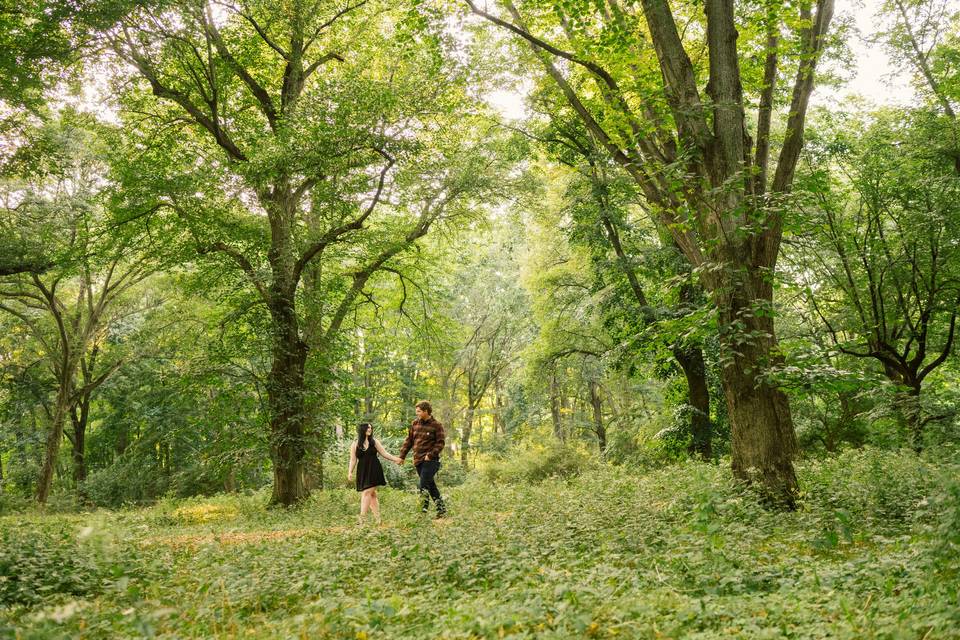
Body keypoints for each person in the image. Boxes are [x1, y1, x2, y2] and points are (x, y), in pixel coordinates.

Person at [398, 400, 447, 518]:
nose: (417, 414)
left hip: (431, 461)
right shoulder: (415, 424)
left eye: (419, 411)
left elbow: (440, 443)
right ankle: (441, 510)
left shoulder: (436, 425)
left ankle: (422, 512)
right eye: (417, 411)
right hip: (418, 460)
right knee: (431, 485)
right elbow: (409, 441)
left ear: (426, 411)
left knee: (423, 485)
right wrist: (402, 456)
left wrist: (430, 455)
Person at [347, 422, 401, 525]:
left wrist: (396, 459)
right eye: (368, 428)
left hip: (374, 469)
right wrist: (350, 472)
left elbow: (385, 453)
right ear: (362, 430)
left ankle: (362, 519)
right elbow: (353, 460)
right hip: (362, 471)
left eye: (371, 428)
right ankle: (378, 519)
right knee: (372, 495)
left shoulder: (374, 442)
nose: (370, 429)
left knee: (366, 492)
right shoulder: (355, 444)